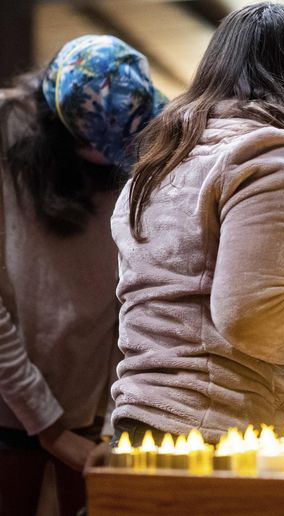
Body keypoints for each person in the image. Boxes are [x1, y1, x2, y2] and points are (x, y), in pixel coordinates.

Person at [110, 3, 284, 444]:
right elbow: (251, 315)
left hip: (145, 421)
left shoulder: (161, 162)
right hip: (222, 431)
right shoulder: (275, 155)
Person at [0, 35, 165, 515]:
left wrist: (116, 419)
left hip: (96, 409)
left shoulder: (146, 137)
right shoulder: (7, 128)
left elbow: (137, 299)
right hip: (9, 400)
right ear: (61, 131)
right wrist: (48, 426)